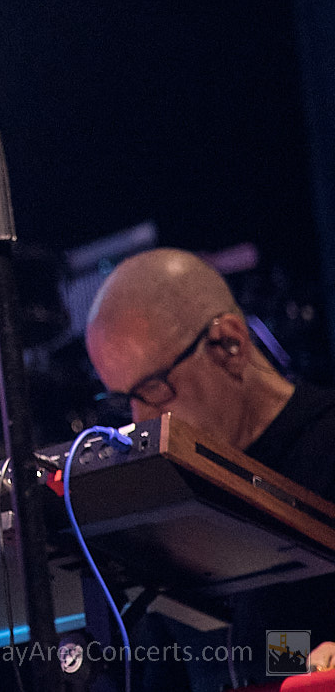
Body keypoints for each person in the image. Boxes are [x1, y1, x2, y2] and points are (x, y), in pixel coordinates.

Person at [86, 247, 335, 682]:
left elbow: (287, 650)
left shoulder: (324, 443)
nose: (140, 421)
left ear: (229, 345)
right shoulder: (171, 508)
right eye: (124, 399)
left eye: (155, 387)